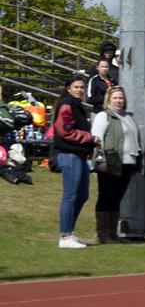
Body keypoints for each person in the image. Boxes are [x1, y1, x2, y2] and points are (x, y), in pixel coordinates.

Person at [53, 74, 100, 248]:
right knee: (71, 196)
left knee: (82, 195)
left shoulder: (77, 105)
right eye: (76, 87)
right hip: (69, 154)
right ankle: (65, 236)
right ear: (68, 88)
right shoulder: (67, 104)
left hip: (79, 155)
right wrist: (90, 137)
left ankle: (69, 233)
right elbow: (65, 130)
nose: (80, 90)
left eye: (82, 87)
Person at [90, 85, 141, 244]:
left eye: (121, 98)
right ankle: (103, 233)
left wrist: (135, 164)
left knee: (116, 198)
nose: (119, 101)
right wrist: (101, 160)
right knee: (106, 197)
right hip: (110, 163)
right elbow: (97, 140)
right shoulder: (103, 116)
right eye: (116, 98)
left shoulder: (128, 117)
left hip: (127, 163)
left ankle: (113, 232)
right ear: (109, 99)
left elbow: (134, 141)